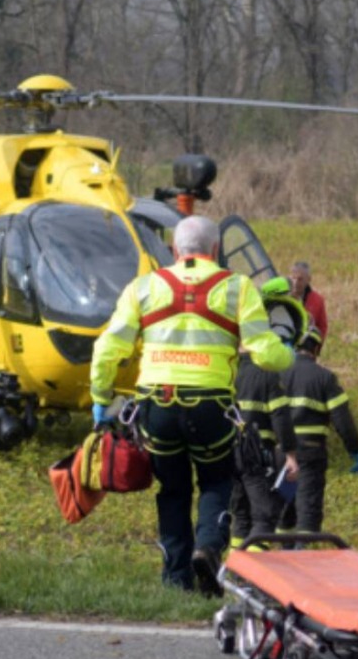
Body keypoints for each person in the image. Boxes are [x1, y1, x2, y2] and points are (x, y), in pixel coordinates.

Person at [89, 215, 292, 597]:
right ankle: (209, 548)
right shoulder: (237, 287)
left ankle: (175, 579)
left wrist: (101, 399)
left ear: (174, 250)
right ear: (215, 250)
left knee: (172, 489)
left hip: (157, 406)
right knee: (217, 480)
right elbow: (265, 353)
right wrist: (288, 356)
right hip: (211, 407)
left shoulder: (144, 287)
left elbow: (107, 348)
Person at [228, 290, 308, 550]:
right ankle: (250, 572)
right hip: (258, 454)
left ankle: (234, 569)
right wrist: (291, 455)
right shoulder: (269, 374)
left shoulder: (228, 370)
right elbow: (281, 418)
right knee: (265, 516)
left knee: (240, 515)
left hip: (229, 452)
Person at [277, 325, 358, 536]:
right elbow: (342, 419)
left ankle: (281, 559)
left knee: (283, 511)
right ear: (317, 348)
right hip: (310, 453)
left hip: (281, 451)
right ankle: (302, 560)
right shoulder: (325, 377)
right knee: (308, 512)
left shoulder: (278, 374)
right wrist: (355, 449)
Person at [288, 261, 328, 342]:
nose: (295, 283)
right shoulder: (282, 297)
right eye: (293, 278)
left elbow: (322, 328)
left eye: (300, 279)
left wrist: (314, 347)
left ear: (308, 279)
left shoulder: (317, 300)